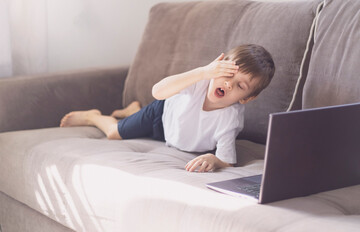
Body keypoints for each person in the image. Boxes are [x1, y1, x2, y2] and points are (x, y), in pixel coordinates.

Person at [60, 44, 275, 173]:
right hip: (162, 115)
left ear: (247, 98)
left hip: (173, 134)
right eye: (227, 73)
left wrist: (214, 160)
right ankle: (93, 116)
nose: (228, 83)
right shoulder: (199, 82)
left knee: (132, 124)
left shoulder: (231, 120)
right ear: (216, 66)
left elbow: (227, 161)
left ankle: (132, 111)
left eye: (240, 86)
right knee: (114, 132)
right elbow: (158, 91)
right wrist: (202, 72)